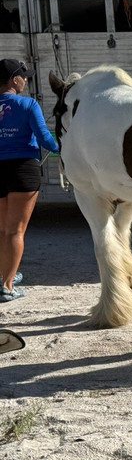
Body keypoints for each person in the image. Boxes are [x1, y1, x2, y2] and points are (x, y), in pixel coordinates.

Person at [0, 58, 59, 303]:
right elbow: (45, 139)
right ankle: (7, 287)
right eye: (24, 77)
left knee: (3, 230)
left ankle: (5, 276)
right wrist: (62, 148)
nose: (26, 80)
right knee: (16, 231)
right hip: (23, 171)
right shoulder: (28, 104)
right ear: (15, 80)